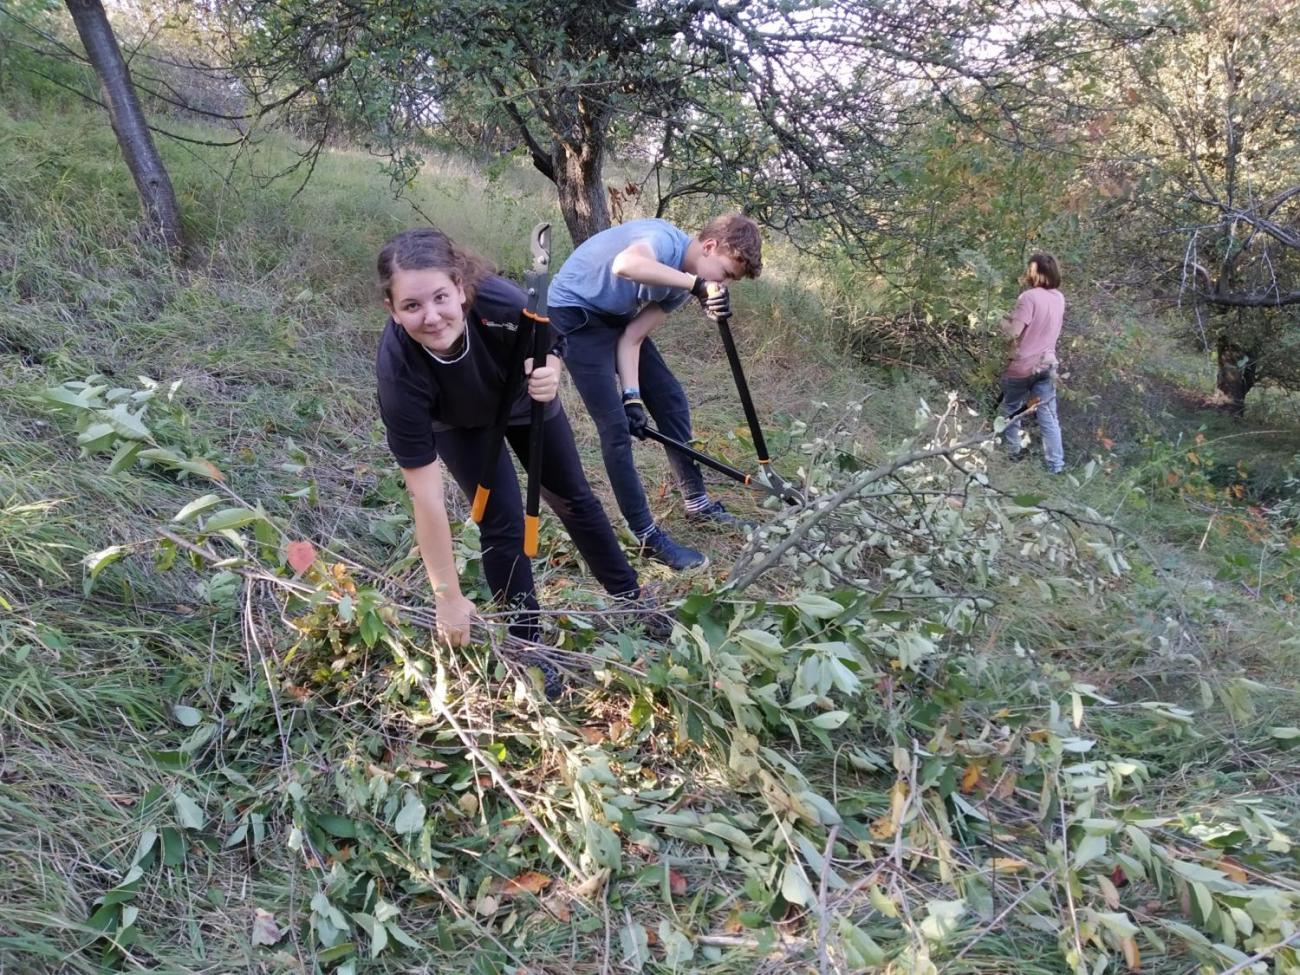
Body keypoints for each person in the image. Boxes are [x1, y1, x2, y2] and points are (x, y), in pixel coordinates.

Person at [373, 227, 667, 696]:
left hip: (524, 402)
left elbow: (549, 340)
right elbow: (425, 499)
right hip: (457, 423)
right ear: (391, 308)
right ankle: (528, 648)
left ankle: (631, 599)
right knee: (501, 520)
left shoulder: (503, 302)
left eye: (441, 298)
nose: (431, 317)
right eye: (411, 306)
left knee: (574, 499)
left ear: (461, 286)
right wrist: (446, 597)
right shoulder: (398, 373)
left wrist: (550, 370)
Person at [547, 214, 763, 571]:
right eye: (724, 274)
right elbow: (626, 264)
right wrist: (697, 284)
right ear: (709, 247)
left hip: (614, 318)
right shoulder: (661, 240)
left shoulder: (680, 288)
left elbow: (632, 337)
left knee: (671, 400)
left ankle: (697, 502)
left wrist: (632, 394)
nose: (722, 285)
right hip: (574, 315)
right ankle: (646, 535)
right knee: (615, 429)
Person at [999, 252, 1066, 474]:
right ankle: (1056, 467)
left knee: (1011, 408)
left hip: (1022, 366)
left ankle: (1012, 453)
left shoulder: (1028, 298)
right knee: (1048, 416)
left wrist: (1000, 320)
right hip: (1047, 365)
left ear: (1033, 272)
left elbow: (1013, 334)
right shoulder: (1059, 298)